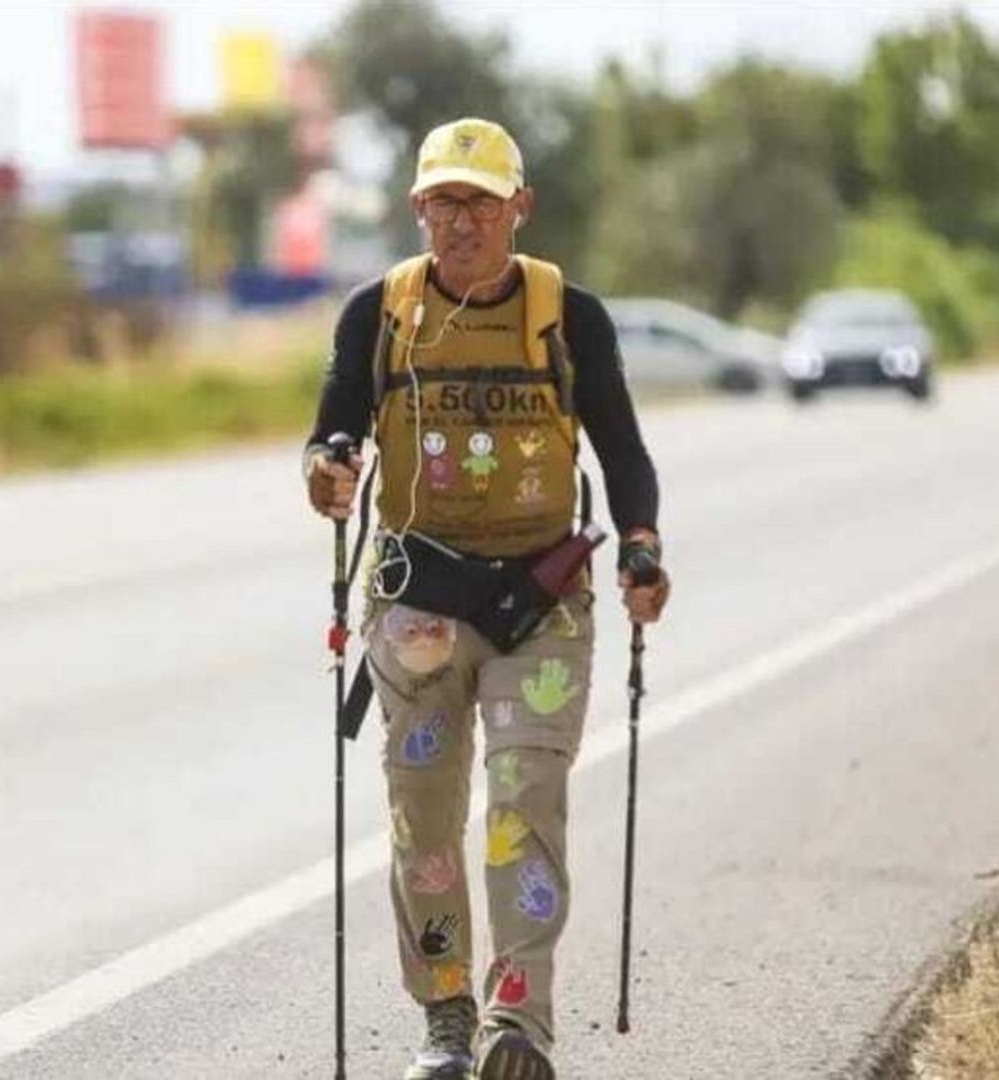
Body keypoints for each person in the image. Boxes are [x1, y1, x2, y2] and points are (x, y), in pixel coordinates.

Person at [304, 117, 670, 1080]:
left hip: (539, 604)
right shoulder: (376, 314)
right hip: (420, 606)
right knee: (424, 818)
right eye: (443, 202)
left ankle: (521, 1023)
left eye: (481, 200)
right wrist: (328, 472)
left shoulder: (566, 313)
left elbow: (622, 449)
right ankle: (446, 1018)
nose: (461, 222)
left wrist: (640, 546)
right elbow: (332, 434)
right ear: (418, 208)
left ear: (521, 207)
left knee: (523, 802)